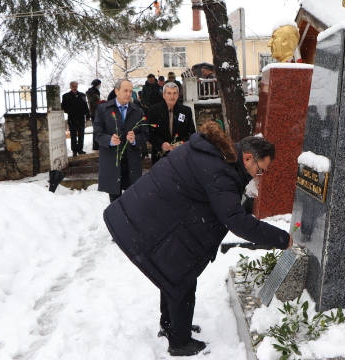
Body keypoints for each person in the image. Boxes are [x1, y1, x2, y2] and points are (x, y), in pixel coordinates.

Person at [103, 121, 292, 356]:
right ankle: (180, 342)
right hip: (153, 221)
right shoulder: (221, 170)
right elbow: (236, 220)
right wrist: (283, 239)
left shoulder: (217, 155)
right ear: (247, 158)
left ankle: (171, 326)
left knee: (171, 271)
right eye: (260, 169)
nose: (259, 176)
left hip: (154, 215)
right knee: (181, 275)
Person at [93, 79, 148, 203]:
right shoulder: (103, 109)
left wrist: (135, 140)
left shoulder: (138, 111)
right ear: (116, 91)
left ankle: (130, 221)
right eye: (125, 91)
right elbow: (97, 133)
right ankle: (116, 221)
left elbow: (145, 135)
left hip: (131, 162)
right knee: (114, 200)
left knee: (132, 200)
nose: (129, 94)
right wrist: (109, 140)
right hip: (112, 161)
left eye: (131, 91)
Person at [147, 82, 196, 165]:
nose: (172, 97)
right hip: (160, 157)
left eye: (174, 93)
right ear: (163, 95)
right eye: (169, 93)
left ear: (178, 95)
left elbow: (192, 133)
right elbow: (148, 133)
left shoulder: (186, 111)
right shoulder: (153, 110)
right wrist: (161, 144)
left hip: (181, 156)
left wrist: (181, 143)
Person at [61, 81, 90, 157]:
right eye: (73, 86)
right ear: (70, 87)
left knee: (81, 135)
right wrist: (70, 111)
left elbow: (85, 106)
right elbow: (63, 107)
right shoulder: (66, 96)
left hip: (80, 118)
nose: (74, 88)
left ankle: (80, 149)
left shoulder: (82, 95)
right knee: (73, 135)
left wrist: (87, 115)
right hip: (72, 118)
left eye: (76, 86)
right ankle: (74, 150)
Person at [86, 79, 102, 150]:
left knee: (98, 128)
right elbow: (92, 103)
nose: (99, 86)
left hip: (97, 111)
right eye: (99, 84)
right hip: (94, 112)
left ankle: (97, 143)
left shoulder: (97, 91)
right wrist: (99, 103)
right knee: (96, 128)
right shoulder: (90, 92)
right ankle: (95, 145)